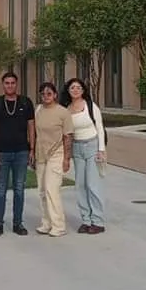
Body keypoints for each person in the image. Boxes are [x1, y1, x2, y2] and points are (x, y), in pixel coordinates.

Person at [0, 71, 35, 237]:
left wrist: (32, 149)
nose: (10, 85)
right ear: (3, 85)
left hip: (21, 151)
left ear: (17, 84)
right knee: (0, 190)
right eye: (7, 83)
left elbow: (31, 127)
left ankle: (17, 223)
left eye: (12, 83)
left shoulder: (26, 102)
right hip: (1, 153)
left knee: (19, 189)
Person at [60, 78, 106, 234]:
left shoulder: (91, 106)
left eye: (78, 87)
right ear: (68, 90)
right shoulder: (66, 109)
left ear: (83, 90)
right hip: (77, 148)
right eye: (72, 87)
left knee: (92, 185)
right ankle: (86, 220)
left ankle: (98, 221)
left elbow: (99, 127)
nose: (75, 90)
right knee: (80, 185)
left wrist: (101, 149)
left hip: (92, 145)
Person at [33, 81, 74, 237]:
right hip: (41, 154)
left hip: (57, 154)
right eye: (43, 94)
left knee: (52, 189)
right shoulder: (38, 110)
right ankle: (46, 222)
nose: (46, 96)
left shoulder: (63, 112)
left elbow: (68, 136)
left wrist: (67, 158)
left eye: (49, 93)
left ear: (55, 95)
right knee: (42, 191)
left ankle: (58, 225)